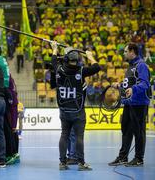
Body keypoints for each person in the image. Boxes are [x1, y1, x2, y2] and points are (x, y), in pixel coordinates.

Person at [50, 41, 100, 171]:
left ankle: (62, 163)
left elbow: (54, 61)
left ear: (66, 59)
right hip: (78, 111)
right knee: (79, 137)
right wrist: (89, 56)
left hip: (64, 110)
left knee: (64, 135)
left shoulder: (59, 69)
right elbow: (97, 67)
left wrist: (54, 48)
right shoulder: (82, 71)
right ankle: (81, 163)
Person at [108, 42, 151, 167]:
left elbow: (145, 84)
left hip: (139, 103)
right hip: (129, 103)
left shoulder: (141, 65)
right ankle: (123, 157)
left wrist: (134, 89)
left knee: (139, 132)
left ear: (132, 51)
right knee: (126, 130)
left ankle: (139, 158)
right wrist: (120, 85)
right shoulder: (131, 66)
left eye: (126, 51)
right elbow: (130, 84)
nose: (124, 53)